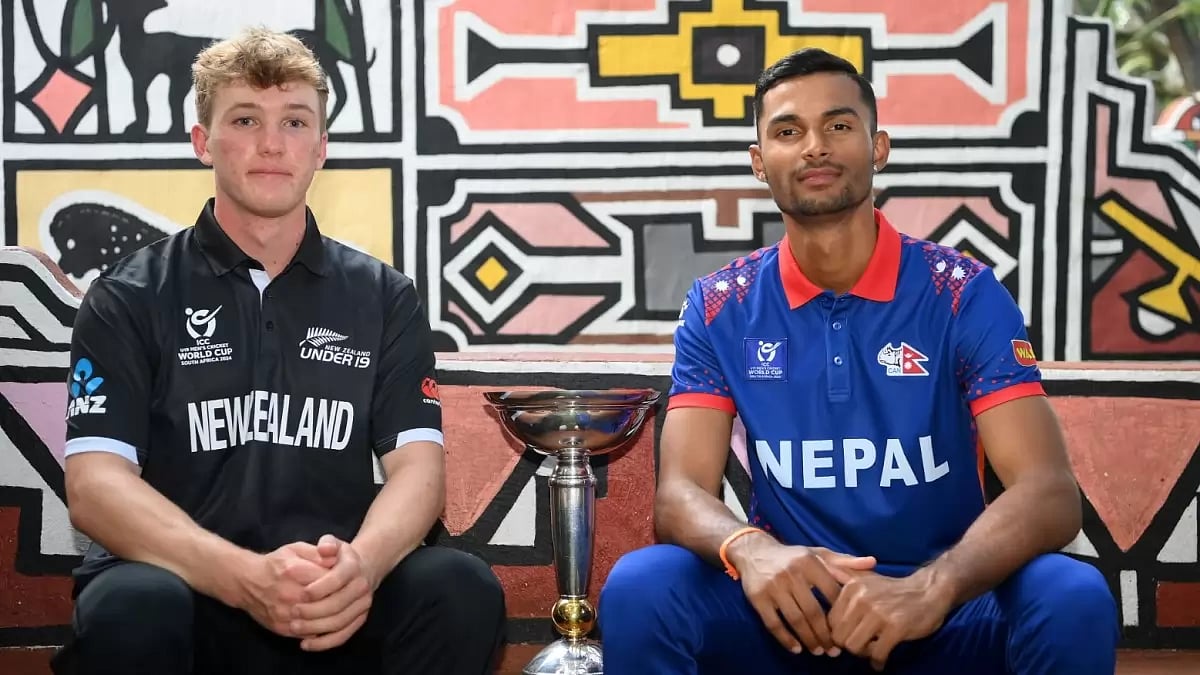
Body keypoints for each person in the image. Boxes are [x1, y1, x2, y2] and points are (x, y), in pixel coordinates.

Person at [597, 48, 1118, 675]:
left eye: (839, 125)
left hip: (942, 608)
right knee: (642, 587)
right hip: (787, 614)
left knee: (1072, 597)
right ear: (760, 163)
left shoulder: (962, 292)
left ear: (879, 147)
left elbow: (1049, 493)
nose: (815, 147)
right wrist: (751, 549)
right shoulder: (720, 306)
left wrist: (934, 587)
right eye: (788, 132)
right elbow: (679, 494)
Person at [52, 27, 505, 675]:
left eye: (295, 121)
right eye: (245, 119)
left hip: (331, 601)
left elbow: (418, 470)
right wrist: (241, 577)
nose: (272, 143)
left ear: (321, 147)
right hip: (191, 593)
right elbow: (94, 486)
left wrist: (361, 567)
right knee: (130, 604)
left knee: (458, 586)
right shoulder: (129, 295)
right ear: (203, 142)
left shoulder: (383, 295)